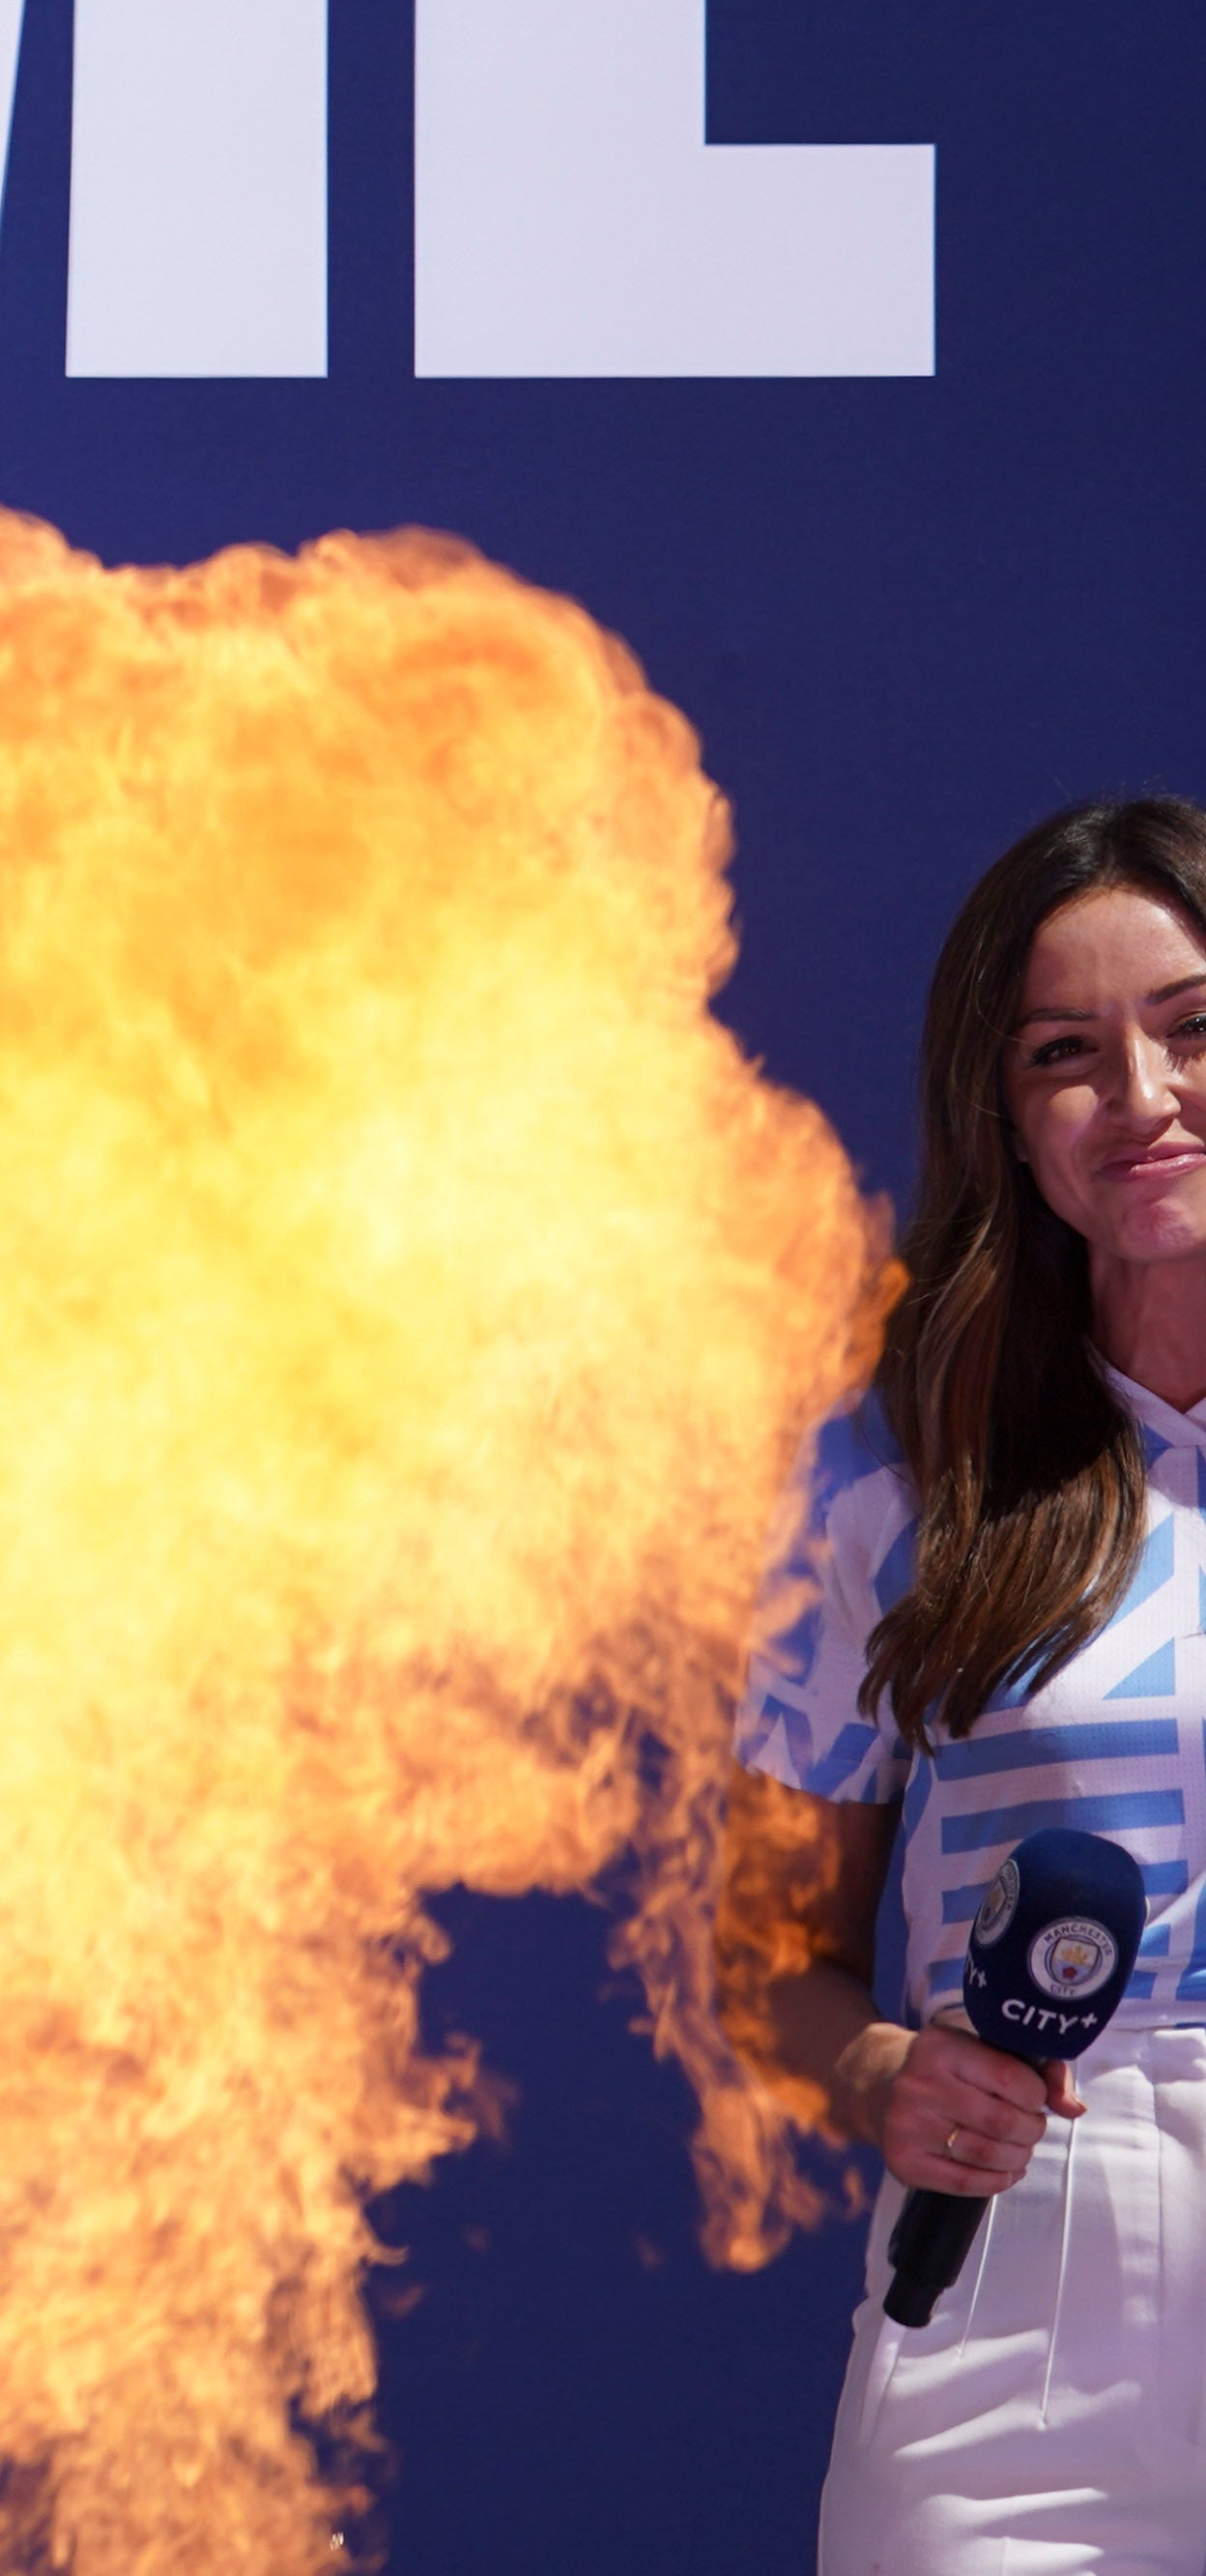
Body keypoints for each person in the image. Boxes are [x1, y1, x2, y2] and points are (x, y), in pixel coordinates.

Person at [740, 793, 1206, 2575]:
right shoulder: (887, 1481)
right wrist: (878, 2072)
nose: (1146, 1100)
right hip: (1014, 2297)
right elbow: (760, 1960)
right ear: (1006, 1122)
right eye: (1068, 1056)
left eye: (1191, 1026)